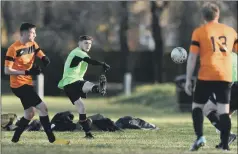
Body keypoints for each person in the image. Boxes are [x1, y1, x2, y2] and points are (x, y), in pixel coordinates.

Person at [4, 22, 69, 145]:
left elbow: (38, 51)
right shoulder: (13, 49)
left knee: (29, 113)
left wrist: (44, 58)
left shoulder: (32, 44)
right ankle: (53, 140)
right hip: (18, 85)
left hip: (27, 84)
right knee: (43, 108)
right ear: (24, 33)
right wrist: (27, 71)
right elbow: (7, 70)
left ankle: (14, 140)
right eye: (33, 32)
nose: (35, 35)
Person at [185, 2, 238, 151]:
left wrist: (188, 79)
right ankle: (225, 145)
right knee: (224, 111)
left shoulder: (200, 32)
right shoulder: (230, 32)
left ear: (203, 17)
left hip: (209, 75)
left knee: (202, 108)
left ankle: (201, 137)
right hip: (226, 78)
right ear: (218, 15)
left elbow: (192, 58)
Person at [58, 35, 110, 139]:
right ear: (79, 43)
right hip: (72, 81)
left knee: (81, 108)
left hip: (68, 85)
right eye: (86, 43)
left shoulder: (79, 53)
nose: (88, 45)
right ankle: (98, 88)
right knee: (87, 85)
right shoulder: (78, 52)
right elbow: (89, 61)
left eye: (90, 44)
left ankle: (88, 134)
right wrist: (102, 64)